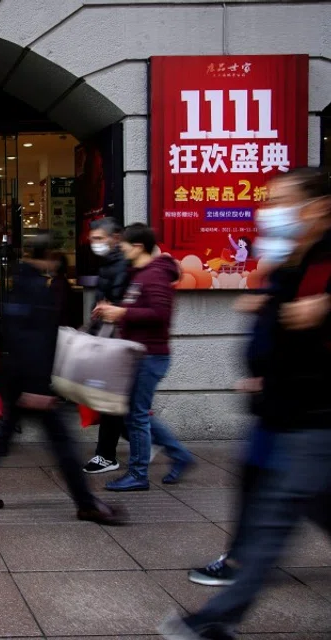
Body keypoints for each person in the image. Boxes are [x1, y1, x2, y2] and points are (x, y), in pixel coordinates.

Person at [159, 168, 331, 640]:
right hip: (281, 409)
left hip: (313, 416)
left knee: (275, 515)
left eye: (281, 202)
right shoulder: (290, 263)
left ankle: (215, 618)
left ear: (316, 208)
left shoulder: (325, 260)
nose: (269, 213)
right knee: (293, 502)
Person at [0, 233, 124, 526]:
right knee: (62, 444)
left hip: (20, 379)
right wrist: (36, 387)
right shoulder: (35, 288)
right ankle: (86, 504)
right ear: (47, 255)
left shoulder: (20, 283)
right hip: (31, 382)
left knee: (2, 437)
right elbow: (29, 339)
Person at [96, 224, 194, 492]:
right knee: (136, 413)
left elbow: (160, 315)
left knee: (136, 416)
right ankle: (180, 455)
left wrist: (122, 314)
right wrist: (114, 310)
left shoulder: (155, 276)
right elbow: (140, 307)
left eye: (124, 245)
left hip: (151, 356)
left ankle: (138, 474)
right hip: (140, 354)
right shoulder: (140, 274)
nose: (120, 249)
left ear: (137, 247)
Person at [83, 217, 132, 474]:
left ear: (116, 238)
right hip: (110, 339)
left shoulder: (124, 264)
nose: (95, 244)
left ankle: (106, 455)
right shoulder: (110, 263)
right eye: (93, 239)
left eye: (100, 239)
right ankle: (146, 441)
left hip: (119, 341)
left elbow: (117, 304)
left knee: (112, 400)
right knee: (117, 401)